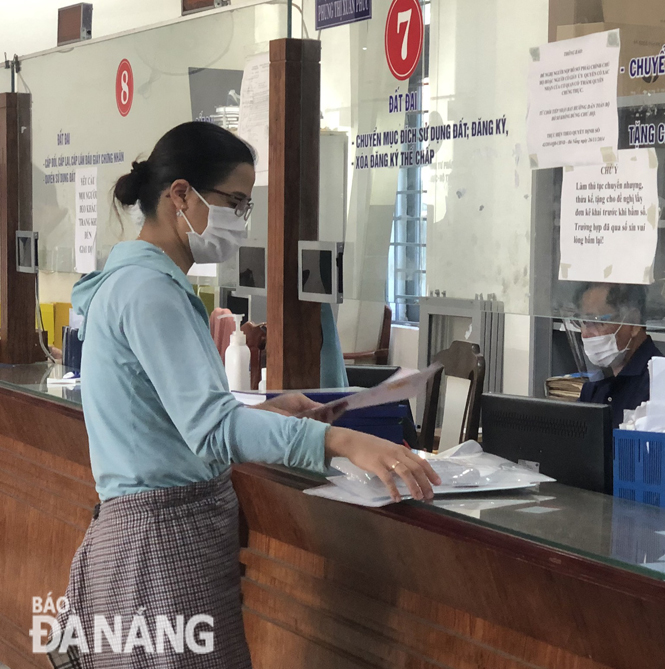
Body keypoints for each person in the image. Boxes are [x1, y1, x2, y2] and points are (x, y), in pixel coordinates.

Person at [50, 122, 440, 667]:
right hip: (160, 550)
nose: (239, 221)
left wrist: (270, 412)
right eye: (233, 202)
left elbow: (171, 415)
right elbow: (211, 431)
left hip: (157, 541)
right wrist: (341, 441)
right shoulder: (148, 291)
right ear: (179, 195)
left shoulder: (135, 280)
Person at [575, 283, 662, 428]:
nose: (585, 334)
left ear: (633, 322)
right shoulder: (596, 387)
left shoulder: (658, 384)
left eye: (596, 321)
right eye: (584, 322)